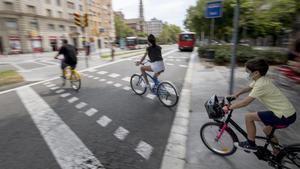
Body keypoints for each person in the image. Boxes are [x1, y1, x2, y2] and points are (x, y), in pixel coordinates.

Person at [224, 59, 296, 152]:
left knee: (249, 117)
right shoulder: (260, 79)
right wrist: (236, 94)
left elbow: (245, 103)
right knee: (267, 130)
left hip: (284, 116)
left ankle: (250, 144)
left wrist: (229, 107)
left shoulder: (261, 85)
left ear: (256, 73)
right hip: (288, 113)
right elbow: (248, 88)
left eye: (247, 71)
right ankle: (277, 152)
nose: (246, 73)